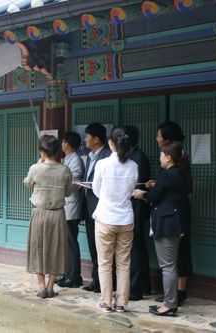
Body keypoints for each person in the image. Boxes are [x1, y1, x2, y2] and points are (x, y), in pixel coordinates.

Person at [133, 141, 190, 317]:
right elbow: (164, 191)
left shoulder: (168, 175)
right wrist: (155, 185)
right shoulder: (177, 173)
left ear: (168, 157)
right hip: (175, 223)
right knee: (170, 265)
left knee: (168, 266)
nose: (159, 158)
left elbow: (153, 197)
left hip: (167, 225)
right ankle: (169, 302)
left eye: (161, 155)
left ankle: (169, 304)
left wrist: (141, 194)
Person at [91, 126, 138, 313]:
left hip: (105, 217)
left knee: (105, 263)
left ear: (111, 142)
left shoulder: (102, 164)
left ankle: (106, 302)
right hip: (126, 218)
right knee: (124, 263)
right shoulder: (133, 166)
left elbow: (96, 190)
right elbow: (132, 190)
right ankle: (121, 303)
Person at [146, 121, 193, 305]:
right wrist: (158, 184)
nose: (157, 139)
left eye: (159, 135)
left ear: (166, 139)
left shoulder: (178, 160)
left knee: (180, 252)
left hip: (175, 211)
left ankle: (179, 292)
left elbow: (184, 185)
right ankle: (172, 294)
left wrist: (156, 188)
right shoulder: (168, 160)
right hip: (172, 208)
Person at [24, 135, 73, 298]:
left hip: (39, 212)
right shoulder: (65, 169)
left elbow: (28, 183)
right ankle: (51, 286)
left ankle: (41, 286)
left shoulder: (35, 168)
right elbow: (68, 192)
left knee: (38, 248)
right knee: (56, 249)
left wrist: (39, 164)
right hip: (58, 214)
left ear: (42, 152)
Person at [74, 123, 112, 293]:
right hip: (90, 207)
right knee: (93, 246)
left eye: (87, 137)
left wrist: (91, 185)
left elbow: (108, 181)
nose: (85, 140)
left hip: (102, 207)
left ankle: (107, 282)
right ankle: (96, 280)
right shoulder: (90, 156)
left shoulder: (108, 155)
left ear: (96, 139)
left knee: (105, 248)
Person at [124, 126, 152, 300]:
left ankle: (137, 287)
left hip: (136, 208)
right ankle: (144, 284)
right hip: (132, 208)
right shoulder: (132, 156)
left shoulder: (137, 158)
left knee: (135, 250)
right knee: (138, 248)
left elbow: (137, 187)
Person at [56, 131, 85, 288]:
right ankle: (66, 273)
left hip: (71, 206)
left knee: (71, 241)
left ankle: (74, 276)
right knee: (65, 242)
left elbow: (72, 181)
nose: (61, 144)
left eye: (63, 142)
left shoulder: (76, 160)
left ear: (67, 143)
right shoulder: (68, 159)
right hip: (65, 204)